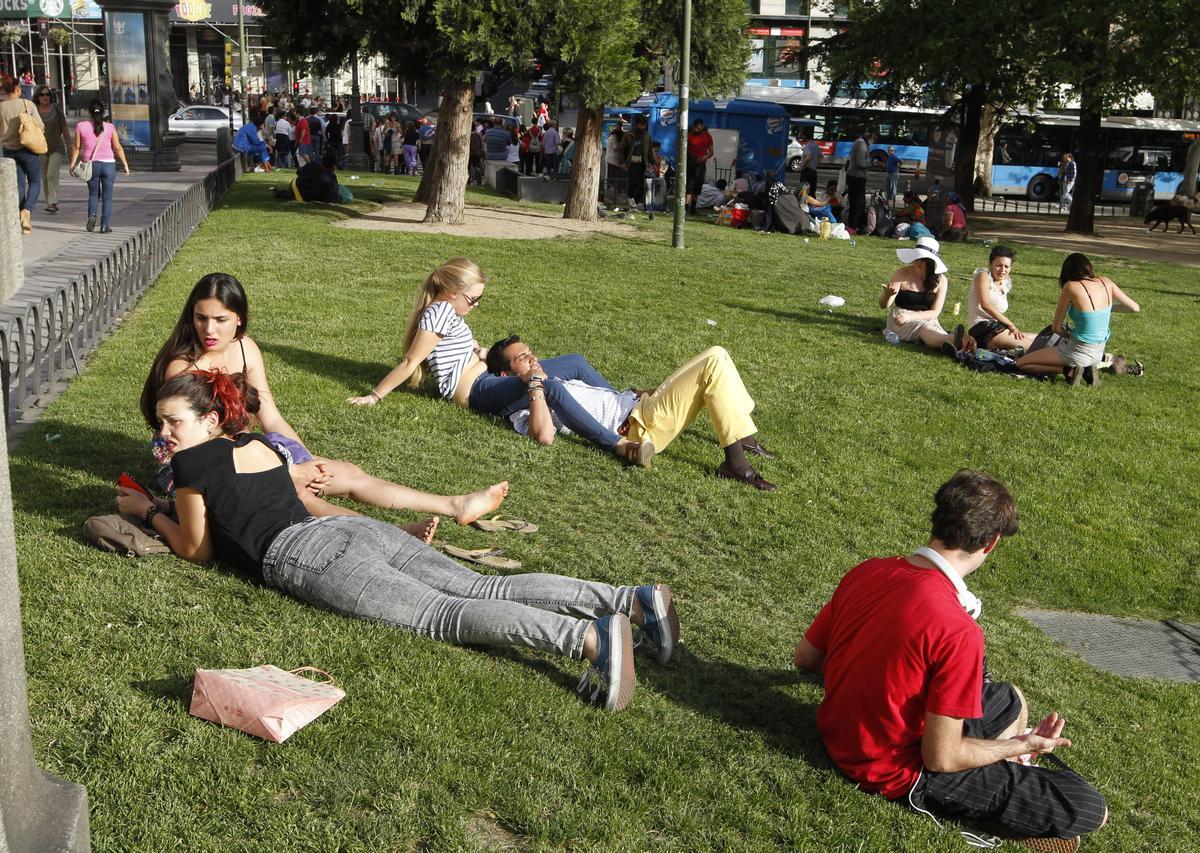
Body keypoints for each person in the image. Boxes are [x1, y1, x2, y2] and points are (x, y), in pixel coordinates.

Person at [121, 369, 680, 713]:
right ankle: (629, 599)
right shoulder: (260, 446)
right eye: (162, 426)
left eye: (172, 422)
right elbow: (269, 500)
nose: (164, 435)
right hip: (343, 528)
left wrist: (150, 512)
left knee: (444, 616)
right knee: (481, 589)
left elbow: (197, 549)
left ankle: (586, 640)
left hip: (303, 555)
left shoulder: (191, 463)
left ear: (210, 418)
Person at [794, 471, 1108, 847]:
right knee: (1090, 808)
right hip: (896, 768)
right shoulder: (958, 630)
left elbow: (807, 657)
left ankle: (1002, 773)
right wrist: (1022, 746)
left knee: (1010, 699)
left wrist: (875, 678)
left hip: (842, 731)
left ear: (938, 519)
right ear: (991, 543)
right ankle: (986, 806)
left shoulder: (870, 569)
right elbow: (941, 757)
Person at [140, 273, 510, 533]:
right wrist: (287, 472)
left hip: (246, 452)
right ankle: (391, 533)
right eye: (201, 318)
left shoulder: (245, 348)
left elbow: (268, 413)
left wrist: (301, 457)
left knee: (342, 472)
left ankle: (454, 505)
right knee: (297, 492)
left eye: (221, 319)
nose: (209, 329)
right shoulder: (182, 366)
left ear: (239, 320)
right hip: (192, 466)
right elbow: (197, 448)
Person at [347, 258, 653, 467]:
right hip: (478, 391)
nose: (476, 305)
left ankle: (624, 403)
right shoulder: (439, 313)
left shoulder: (447, 311)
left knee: (574, 362)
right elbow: (409, 362)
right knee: (549, 387)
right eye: (472, 300)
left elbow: (449, 350)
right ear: (452, 292)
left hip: (485, 378)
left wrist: (477, 353)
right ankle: (617, 444)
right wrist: (373, 397)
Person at [485, 338, 776, 490]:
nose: (534, 358)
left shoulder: (554, 381)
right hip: (636, 427)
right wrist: (537, 384)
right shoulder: (524, 407)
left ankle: (742, 434)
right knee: (713, 360)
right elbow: (543, 434)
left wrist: (641, 393)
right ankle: (736, 463)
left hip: (638, 405)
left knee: (718, 354)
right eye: (523, 358)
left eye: (531, 352)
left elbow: (601, 394)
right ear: (505, 374)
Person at [1015, 253, 1140, 384]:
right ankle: (1083, 368)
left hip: (1075, 350)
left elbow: (1056, 328)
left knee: (1021, 363)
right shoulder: (1106, 282)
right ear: (1089, 267)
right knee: (1037, 359)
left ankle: (1070, 370)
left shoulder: (1070, 287)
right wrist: (1107, 308)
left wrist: (1069, 335)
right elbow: (1134, 307)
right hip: (1098, 353)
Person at [880, 237, 970, 355]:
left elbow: (935, 312)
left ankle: (957, 343)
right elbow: (884, 305)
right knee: (923, 329)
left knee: (931, 329)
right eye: (918, 257)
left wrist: (913, 316)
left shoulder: (941, 280)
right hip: (900, 318)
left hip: (927, 317)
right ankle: (953, 341)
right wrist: (887, 295)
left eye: (924, 260)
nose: (919, 262)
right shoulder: (902, 274)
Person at [67, 99, 130, 235]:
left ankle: (92, 215)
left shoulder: (81, 126)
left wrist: (72, 165)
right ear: (103, 112)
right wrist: (125, 164)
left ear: (89, 112)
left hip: (91, 165)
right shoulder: (110, 127)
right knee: (107, 196)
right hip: (108, 165)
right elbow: (117, 147)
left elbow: (77, 147)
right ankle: (105, 225)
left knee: (93, 193)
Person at [966, 246, 1036, 351]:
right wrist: (1010, 325)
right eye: (999, 266)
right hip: (982, 329)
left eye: (1006, 267)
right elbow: (985, 304)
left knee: (1040, 338)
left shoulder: (1005, 283)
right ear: (990, 264)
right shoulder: (983, 276)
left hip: (997, 327)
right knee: (1033, 347)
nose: (1003, 270)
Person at [1, 74, 43, 234]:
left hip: (9, 151)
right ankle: (27, 210)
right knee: (34, 182)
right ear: (18, 89)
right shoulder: (27, 104)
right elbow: (40, 125)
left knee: (18, 186)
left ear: (4, 90)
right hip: (29, 149)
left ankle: (21, 223)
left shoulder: (1, 107)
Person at [34, 85, 70, 214]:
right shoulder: (34, 111)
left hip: (56, 147)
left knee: (51, 174)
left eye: (47, 94)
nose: (45, 97)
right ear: (37, 97)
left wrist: (69, 145)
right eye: (42, 95)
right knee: (44, 177)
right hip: (40, 148)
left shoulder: (57, 110)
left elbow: (64, 127)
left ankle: (52, 201)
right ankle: (50, 202)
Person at [846, 127, 876, 233]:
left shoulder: (859, 142)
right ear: (870, 136)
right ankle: (854, 226)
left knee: (855, 203)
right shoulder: (862, 144)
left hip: (854, 176)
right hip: (856, 177)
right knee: (858, 203)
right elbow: (861, 163)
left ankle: (854, 225)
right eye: (874, 138)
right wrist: (872, 163)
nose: (874, 141)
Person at [624, 115, 655, 208]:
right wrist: (623, 162)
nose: (642, 127)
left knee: (641, 184)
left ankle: (637, 202)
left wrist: (652, 163)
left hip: (642, 163)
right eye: (641, 125)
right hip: (631, 163)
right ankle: (630, 199)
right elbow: (623, 149)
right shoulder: (629, 135)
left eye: (644, 125)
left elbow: (649, 150)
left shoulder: (646, 135)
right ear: (637, 124)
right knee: (633, 182)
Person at [685, 118, 714, 215]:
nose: (696, 128)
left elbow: (711, 152)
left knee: (697, 187)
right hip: (690, 163)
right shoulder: (689, 136)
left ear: (702, 126)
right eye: (695, 126)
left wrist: (704, 157)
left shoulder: (707, 136)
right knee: (689, 186)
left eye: (698, 127)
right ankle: (685, 207)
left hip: (701, 164)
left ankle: (693, 208)